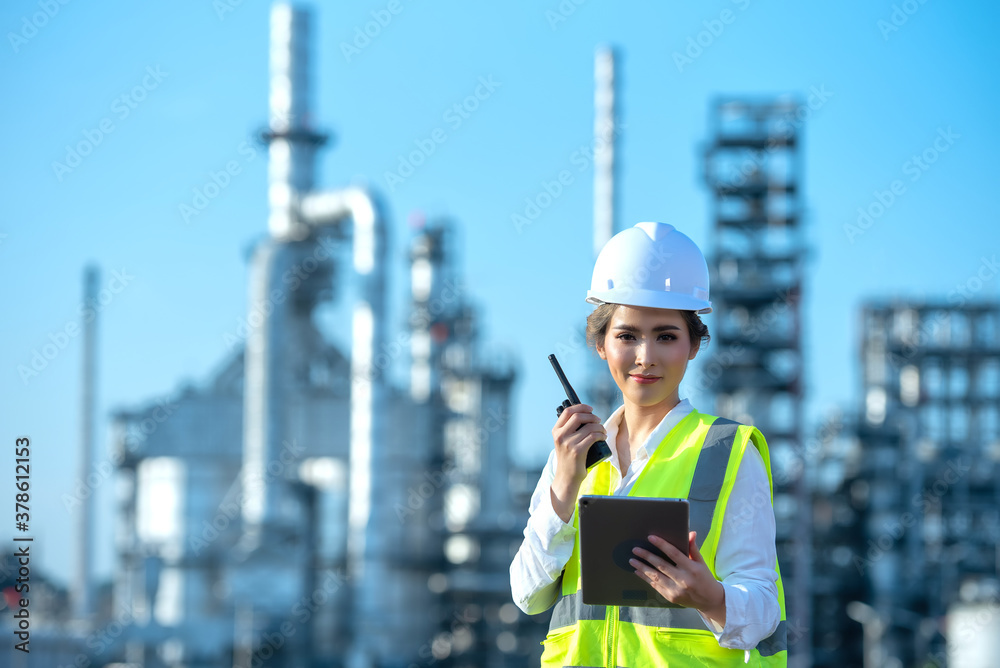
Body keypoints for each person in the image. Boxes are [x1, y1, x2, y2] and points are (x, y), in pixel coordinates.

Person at [510, 222, 787, 666]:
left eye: (666, 336)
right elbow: (527, 595)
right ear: (599, 343)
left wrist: (710, 597)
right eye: (626, 336)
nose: (646, 356)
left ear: (694, 344)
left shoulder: (729, 452)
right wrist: (563, 489)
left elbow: (764, 609)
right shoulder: (573, 455)